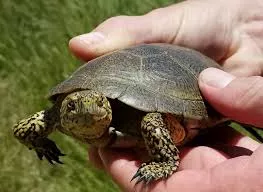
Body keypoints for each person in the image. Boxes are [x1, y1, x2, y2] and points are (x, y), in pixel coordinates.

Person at [69, 0, 263, 191]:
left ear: (106, 107)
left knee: (151, 120)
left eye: (98, 103)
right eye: (72, 106)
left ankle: (166, 160)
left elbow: (152, 119)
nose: (87, 110)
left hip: (201, 87)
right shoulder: (63, 112)